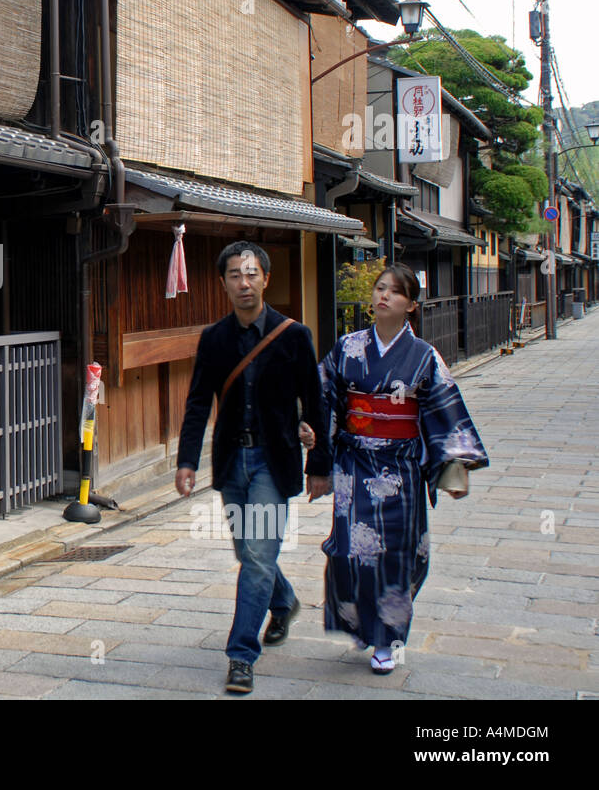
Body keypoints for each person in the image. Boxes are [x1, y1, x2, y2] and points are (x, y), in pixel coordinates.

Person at [306, 264, 488, 674]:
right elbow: (324, 401)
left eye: (394, 291)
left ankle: (386, 640)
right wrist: (318, 457)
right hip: (355, 463)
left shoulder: (424, 356)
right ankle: (360, 623)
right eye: (379, 288)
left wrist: (454, 467)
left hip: (400, 469)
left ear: (411, 305)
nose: (383, 296)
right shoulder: (347, 347)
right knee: (349, 552)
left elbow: (444, 410)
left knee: (397, 556)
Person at [176, 241, 328, 695]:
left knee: (258, 557)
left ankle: (241, 655)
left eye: (252, 274)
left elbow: (315, 402)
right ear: (223, 283)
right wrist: (187, 460)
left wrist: (320, 464)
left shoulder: (293, 335)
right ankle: (283, 602)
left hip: (272, 459)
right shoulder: (215, 338)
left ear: (266, 279)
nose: (244, 283)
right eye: (235, 275)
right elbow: (199, 402)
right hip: (232, 462)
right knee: (249, 555)